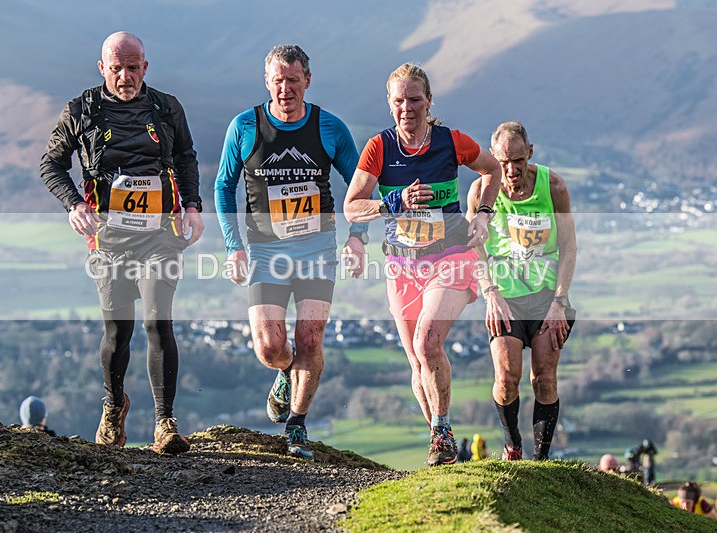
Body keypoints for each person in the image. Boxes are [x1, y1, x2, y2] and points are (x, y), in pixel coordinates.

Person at [40, 32, 203, 455]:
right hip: (108, 239)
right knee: (118, 330)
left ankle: (165, 422)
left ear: (145, 67)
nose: (125, 77)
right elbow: (51, 163)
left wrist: (193, 206)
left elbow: (185, 157)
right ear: (102, 69)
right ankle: (114, 406)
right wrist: (74, 204)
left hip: (160, 235)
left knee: (157, 320)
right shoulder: (82, 110)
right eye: (117, 69)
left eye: (133, 68)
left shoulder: (167, 108)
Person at [214, 44, 368, 460]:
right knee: (269, 346)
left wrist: (357, 236)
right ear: (267, 82)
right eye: (278, 81)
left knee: (310, 338)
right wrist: (234, 245)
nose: (285, 89)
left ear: (307, 81)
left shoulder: (330, 128)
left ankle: (297, 425)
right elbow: (222, 186)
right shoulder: (245, 126)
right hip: (266, 249)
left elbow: (359, 184)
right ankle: (285, 372)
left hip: (317, 247)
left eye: (293, 81)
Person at [344, 63, 501, 466]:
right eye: (399, 100)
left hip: (449, 257)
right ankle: (441, 443)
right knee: (416, 361)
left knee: (427, 342)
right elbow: (352, 207)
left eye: (415, 99)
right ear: (389, 104)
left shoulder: (451, 142)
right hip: (402, 266)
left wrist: (483, 212)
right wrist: (392, 202)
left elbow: (492, 169)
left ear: (429, 101)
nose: (407, 108)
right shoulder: (379, 148)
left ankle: (442, 428)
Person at [467, 120, 577, 462]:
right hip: (505, 298)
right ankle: (512, 445)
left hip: (546, 299)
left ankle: (541, 461)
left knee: (544, 378)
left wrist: (560, 301)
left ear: (530, 154)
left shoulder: (553, 187)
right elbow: (474, 246)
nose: (511, 170)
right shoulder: (480, 191)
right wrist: (490, 293)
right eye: (502, 163)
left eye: (517, 161)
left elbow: (570, 247)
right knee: (506, 378)